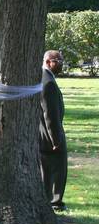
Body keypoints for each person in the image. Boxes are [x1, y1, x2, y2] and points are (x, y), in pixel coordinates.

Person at [40, 50, 68, 212]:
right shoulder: (48, 82)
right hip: (48, 135)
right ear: (50, 61)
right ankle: (55, 201)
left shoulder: (44, 77)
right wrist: (56, 139)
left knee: (47, 169)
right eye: (59, 61)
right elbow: (50, 114)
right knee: (57, 169)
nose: (62, 64)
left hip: (43, 133)